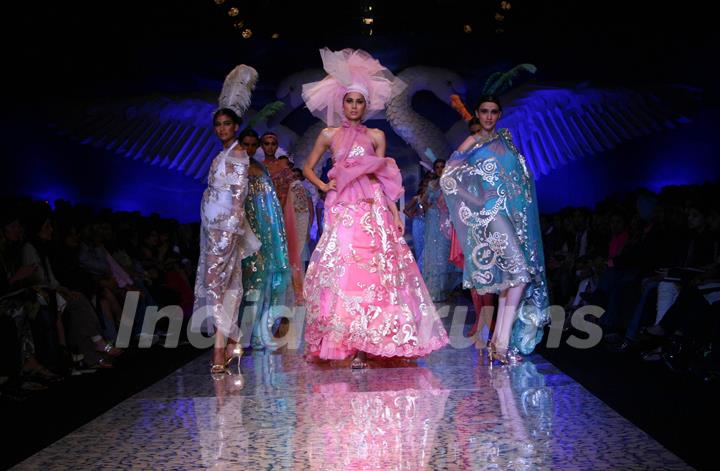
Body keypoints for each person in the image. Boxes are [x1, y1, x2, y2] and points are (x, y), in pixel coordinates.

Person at [301, 47, 449, 368]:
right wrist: (325, 185)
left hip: (372, 207)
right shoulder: (329, 134)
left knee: (376, 271)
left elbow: (384, 178)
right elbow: (309, 168)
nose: (354, 106)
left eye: (359, 101)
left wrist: (395, 211)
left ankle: (372, 341)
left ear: (367, 105)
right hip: (343, 208)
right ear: (341, 103)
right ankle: (347, 342)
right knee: (344, 270)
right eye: (350, 101)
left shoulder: (376, 134)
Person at [441, 95, 549, 364]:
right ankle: (500, 344)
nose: (489, 116)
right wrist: (477, 202)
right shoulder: (473, 142)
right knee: (520, 276)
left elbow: (519, 179)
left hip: (512, 215)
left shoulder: (505, 141)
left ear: (499, 114)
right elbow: (448, 178)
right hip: (492, 216)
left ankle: (498, 344)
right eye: (484, 112)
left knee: (510, 280)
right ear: (477, 113)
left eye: (493, 112)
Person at [193, 64, 261, 375]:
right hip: (213, 229)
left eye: (227, 124)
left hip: (226, 231)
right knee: (224, 287)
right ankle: (230, 342)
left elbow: (238, 197)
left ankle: (221, 348)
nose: (222, 128)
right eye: (218, 124)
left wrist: (231, 232)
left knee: (219, 287)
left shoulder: (237, 156)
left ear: (236, 126)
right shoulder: (221, 155)